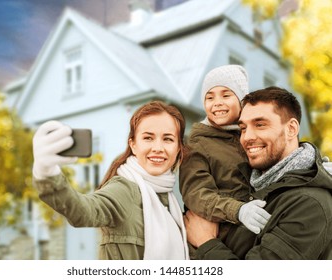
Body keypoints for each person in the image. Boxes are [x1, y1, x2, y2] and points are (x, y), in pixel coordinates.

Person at [184, 87, 332, 259]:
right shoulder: (255, 182)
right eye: (243, 128)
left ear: (291, 129)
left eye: (260, 125)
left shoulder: (310, 204)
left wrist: (205, 243)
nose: (246, 138)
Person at [32, 100, 189, 260]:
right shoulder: (123, 190)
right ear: (133, 145)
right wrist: (47, 172)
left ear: (178, 148)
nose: (158, 148)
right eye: (148, 138)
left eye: (168, 139)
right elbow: (83, 211)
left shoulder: (171, 201)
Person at [179, 64, 271, 252]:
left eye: (226, 95)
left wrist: (311, 164)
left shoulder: (249, 136)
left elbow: (279, 154)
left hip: (256, 236)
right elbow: (196, 194)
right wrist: (238, 210)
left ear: (242, 100)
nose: (217, 102)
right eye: (209, 97)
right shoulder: (198, 144)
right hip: (220, 242)